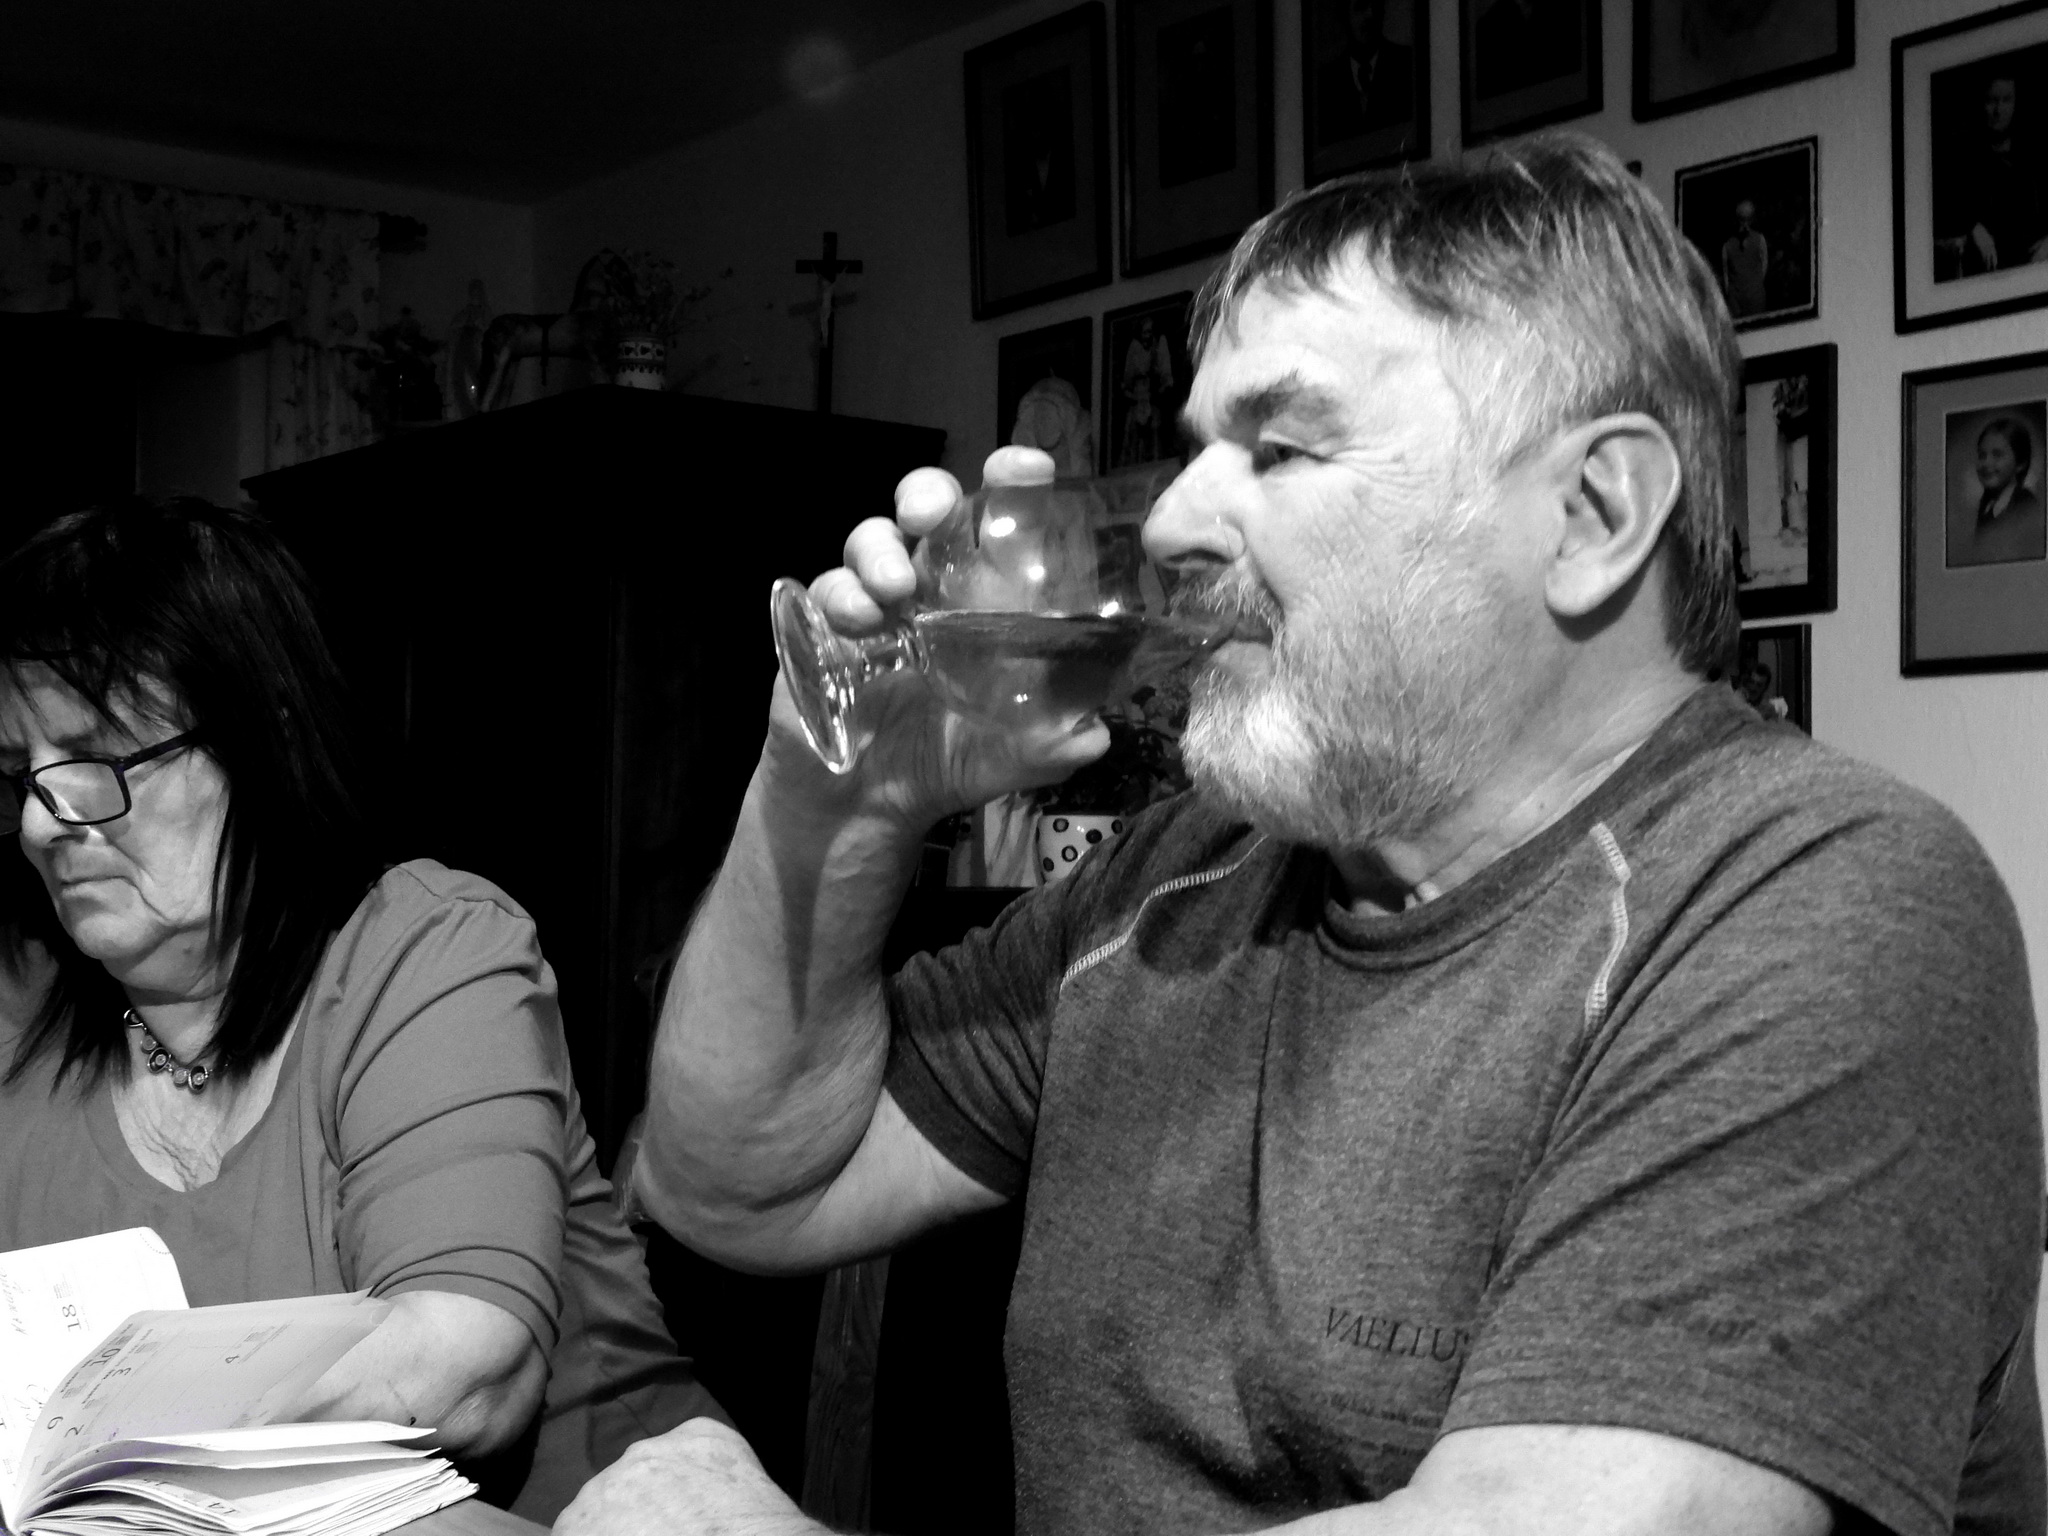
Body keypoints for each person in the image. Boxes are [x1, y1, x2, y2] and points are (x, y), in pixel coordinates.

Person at [571, 134, 2043, 1536]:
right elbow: (732, 1185)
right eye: (1195, 449)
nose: (1168, 523)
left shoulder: (1827, 907)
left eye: (1277, 448)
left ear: (1593, 514)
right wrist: (838, 798)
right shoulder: (1174, 881)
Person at [0, 499, 726, 1523]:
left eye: (95, 762)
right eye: (18, 774)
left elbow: (469, 1372)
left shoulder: (425, 951)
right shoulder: (23, 1011)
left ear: (263, 741)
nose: (42, 823)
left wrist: (119, 1462)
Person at [1938, 71, 2048, 279]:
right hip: (1987, 271)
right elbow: (1948, 205)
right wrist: (1973, 227)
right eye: (1991, 101)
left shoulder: (2033, 153)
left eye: (2006, 100)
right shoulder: (1962, 155)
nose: (1999, 110)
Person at [1314, 0, 1414, 144]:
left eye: (1376, 7)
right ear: (1345, 16)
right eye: (1360, 7)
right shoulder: (1326, 81)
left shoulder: (1406, 64)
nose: (1370, 15)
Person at [1957, 416, 2047, 568]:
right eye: (1982, 455)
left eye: (1997, 455)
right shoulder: (1986, 508)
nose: (1986, 463)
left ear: (2020, 463)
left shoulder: (2027, 507)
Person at [1719, 198, 1769, 316]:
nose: (1745, 224)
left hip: (1755, 297)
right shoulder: (1727, 245)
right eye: (1742, 220)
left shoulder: (1759, 239)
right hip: (1736, 300)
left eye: (1748, 219)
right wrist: (1730, 292)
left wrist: (1756, 284)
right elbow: (1725, 271)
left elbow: (1764, 262)